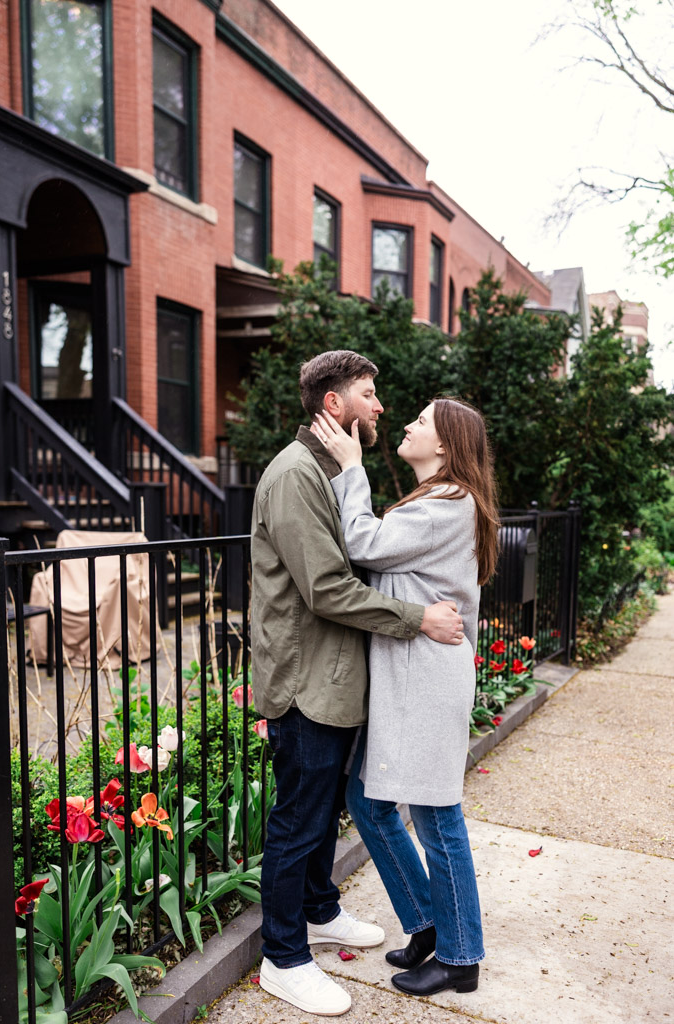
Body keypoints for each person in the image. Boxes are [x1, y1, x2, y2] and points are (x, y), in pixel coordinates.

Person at [251, 351, 464, 1017]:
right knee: (297, 821)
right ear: (333, 404)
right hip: (308, 680)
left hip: (338, 678)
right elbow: (325, 588)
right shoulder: (294, 476)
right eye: (367, 395)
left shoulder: (329, 472)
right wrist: (416, 619)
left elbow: (369, 552)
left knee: (319, 814)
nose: (378, 407)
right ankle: (282, 958)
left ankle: (318, 910)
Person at [311, 396, 499, 997]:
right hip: (410, 672)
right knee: (367, 799)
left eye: (421, 421)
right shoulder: (437, 499)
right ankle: (428, 925)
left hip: (424, 678)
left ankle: (461, 956)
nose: (408, 424)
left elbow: (365, 543)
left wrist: (349, 467)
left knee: (437, 816)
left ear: (444, 445)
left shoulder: (450, 501)